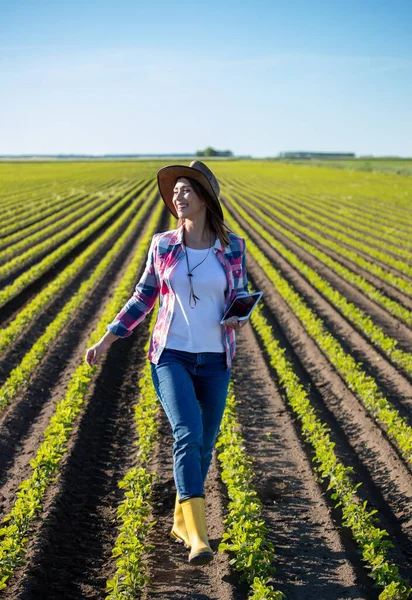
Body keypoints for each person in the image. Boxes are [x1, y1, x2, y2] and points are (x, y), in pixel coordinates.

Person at [85, 160, 250, 566]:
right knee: (186, 432)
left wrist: (238, 315)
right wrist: (107, 339)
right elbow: (143, 296)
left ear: (205, 197)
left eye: (186, 190)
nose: (177, 196)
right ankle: (198, 536)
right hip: (171, 354)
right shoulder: (163, 245)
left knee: (204, 445)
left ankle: (181, 521)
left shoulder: (232, 247)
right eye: (174, 191)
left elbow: (240, 296)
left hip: (215, 358)